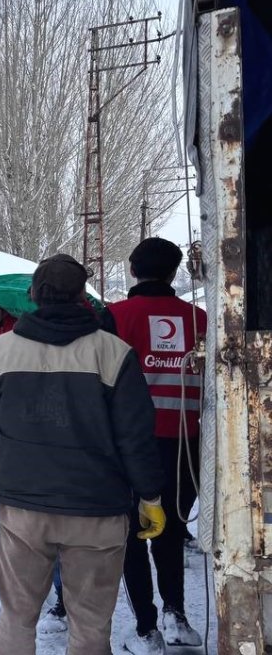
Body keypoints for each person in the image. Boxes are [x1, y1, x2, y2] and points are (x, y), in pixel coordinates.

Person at [0, 254, 165, 655]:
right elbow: (136, 436)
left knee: (17, 617)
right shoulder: (114, 353)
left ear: (33, 296)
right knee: (91, 625)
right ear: (81, 297)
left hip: (24, 507)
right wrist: (150, 497)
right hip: (97, 509)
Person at [109, 238, 207, 653]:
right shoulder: (201, 321)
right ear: (173, 274)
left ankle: (146, 632)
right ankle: (176, 616)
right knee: (171, 530)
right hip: (185, 445)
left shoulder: (113, 317)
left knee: (132, 535)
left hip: (128, 448)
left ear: (132, 270)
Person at [0, 285, 67, 631]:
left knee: (48, 525)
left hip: (51, 438)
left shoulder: (29, 329)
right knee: (35, 528)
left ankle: (60, 597)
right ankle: (53, 597)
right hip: (19, 444)